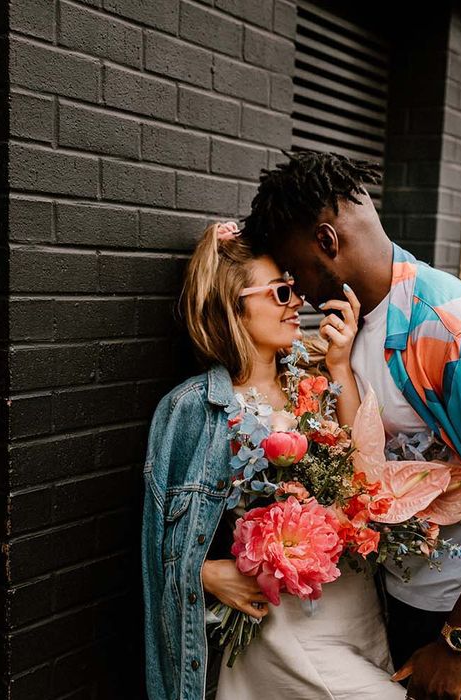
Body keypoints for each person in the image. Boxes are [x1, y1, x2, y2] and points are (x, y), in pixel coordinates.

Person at [242, 151, 461, 700]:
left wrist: (457, 641)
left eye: (295, 271)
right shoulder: (358, 322)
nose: (296, 290)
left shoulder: (458, 333)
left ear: (327, 240)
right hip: (407, 607)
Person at [141, 222, 405, 699]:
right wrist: (200, 572)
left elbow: (361, 474)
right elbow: (155, 543)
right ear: (233, 307)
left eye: (294, 289)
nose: (297, 303)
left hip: (355, 606)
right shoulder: (192, 410)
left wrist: (340, 366)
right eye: (281, 292)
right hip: (286, 625)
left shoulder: (317, 379)